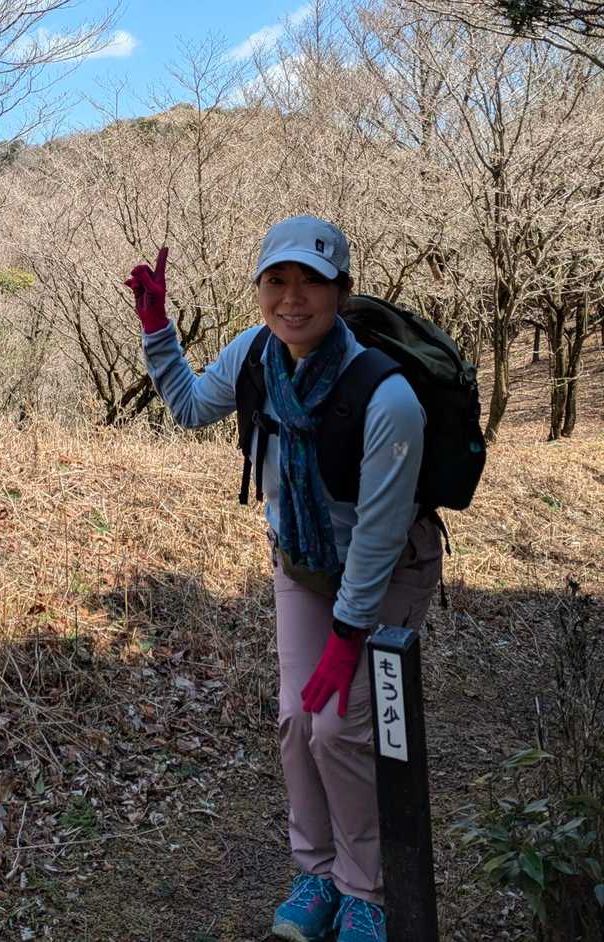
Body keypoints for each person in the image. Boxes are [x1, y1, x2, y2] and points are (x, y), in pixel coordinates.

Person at [125, 216, 442, 942]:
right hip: (301, 563)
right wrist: (157, 329)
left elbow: (379, 535)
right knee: (299, 720)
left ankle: (366, 890)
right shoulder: (254, 355)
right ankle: (317, 872)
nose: (292, 298)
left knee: (340, 727)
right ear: (260, 288)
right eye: (277, 280)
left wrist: (347, 638)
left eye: (312, 282)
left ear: (343, 292)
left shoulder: (387, 398)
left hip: (388, 570)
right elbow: (190, 406)